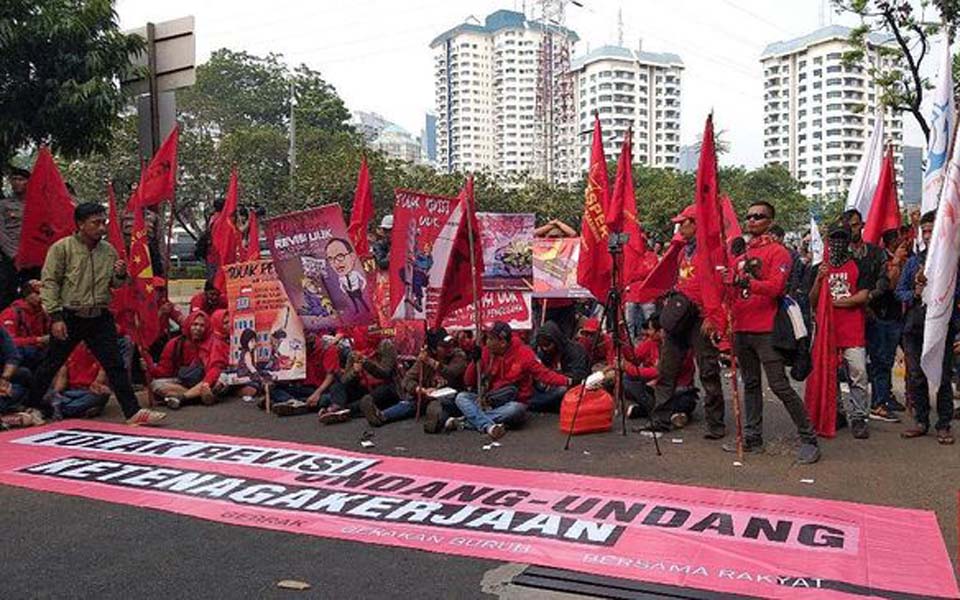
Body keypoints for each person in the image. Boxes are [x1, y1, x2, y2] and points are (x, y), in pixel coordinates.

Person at [25, 202, 165, 425]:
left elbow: (116, 284)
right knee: (51, 363)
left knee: (115, 365)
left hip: (99, 315)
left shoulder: (108, 251)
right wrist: (56, 317)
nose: (102, 228)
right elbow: (50, 283)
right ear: (80, 224)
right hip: (70, 315)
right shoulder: (62, 248)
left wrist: (120, 274)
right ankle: (31, 407)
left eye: (104, 223)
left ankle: (133, 413)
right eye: (96, 223)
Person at [725, 201, 819, 463]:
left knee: (779, 386)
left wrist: (747, 282)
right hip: (742, 328)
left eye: (759, 216)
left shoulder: (779, 252)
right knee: (751, 384)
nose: (752, 220)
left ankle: (809, 438)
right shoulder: (740, 255)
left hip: (767, 329)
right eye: (749, 216)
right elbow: (732, 291)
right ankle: (752, 437)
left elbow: (776, 288)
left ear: (769, 220)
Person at [649, 205, 726, 439]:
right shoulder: (683, 252)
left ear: (696, 224)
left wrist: (714, 317)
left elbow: (721, 287)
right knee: (666, 370)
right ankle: (660, 419)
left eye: (684, 223)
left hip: (702, 319)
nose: (680, 227)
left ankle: (716, 424)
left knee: (708, 372)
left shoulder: (713, 251)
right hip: (680, 317)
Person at [896, 211, 956, 445]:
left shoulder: (951, 262)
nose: (929, 235)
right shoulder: (913, 263)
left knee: (941, 377)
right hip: (915, 327)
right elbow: (900, 292)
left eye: (933, 230)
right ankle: (921, 420)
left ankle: (944, 424)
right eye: (926, 231)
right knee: (916, 375)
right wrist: (916, 292)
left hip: (943, 326)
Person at [454, 322, 570, 440]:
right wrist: (474, 362)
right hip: (487, 400)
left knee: (515, 410)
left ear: (502, 343)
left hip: (511, 402)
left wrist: (568, 381)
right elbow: (468, 381)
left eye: (490, 339)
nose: (486, 342)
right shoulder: (485, 351)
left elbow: (544, 374)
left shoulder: (524, 353)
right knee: (461, 397)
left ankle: (469, 421)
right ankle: (487, 426)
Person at [809, 225, 871, 439]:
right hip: (827, 332)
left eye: (841, 239)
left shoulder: (859, 265)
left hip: (852, 331)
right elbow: (813, 301)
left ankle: (859, 417)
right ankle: (837, 413)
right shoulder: (819, 268)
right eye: (833, 239)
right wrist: (818, 280)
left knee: (858, 374)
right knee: (829, 375)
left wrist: (833, 303)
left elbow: (863, 296)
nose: (837, 243)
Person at [362, 328, 468, 429]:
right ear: (434, 349)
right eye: (443, 346)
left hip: (451, 396)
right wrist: (421, 390)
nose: (449, 347)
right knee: (411, 403)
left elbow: (452, 372)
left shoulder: (458, 355)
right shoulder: (423, 361)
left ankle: (436, 421)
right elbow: (407, 380)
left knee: (443, 405)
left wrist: (432, 362)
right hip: (428, 396)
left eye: (450, 344)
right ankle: (381, 416)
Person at [623, 314, 697, 428]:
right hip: (657, 388)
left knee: (685, 401)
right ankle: (671, 414)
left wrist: (629, 368)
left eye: (651, 329)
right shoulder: (651, 342)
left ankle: (651, 411)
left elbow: (659, 372)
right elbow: (634, 357)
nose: (648, 332)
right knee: (627, 382)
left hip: (677, 391)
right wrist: (623, 340)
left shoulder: (679, 348)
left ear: (661, 331)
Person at [867, 228, 908, 421]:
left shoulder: (906, 259)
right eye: (901, 241)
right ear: (893, 242)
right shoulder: (882, 260)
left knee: (889, 360)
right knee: (881, 361)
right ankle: (878, 403)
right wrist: (896, 263)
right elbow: (890, 287)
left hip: (898, 317)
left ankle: (886, 396)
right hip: (883, 317)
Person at [146, 311, 226, 409]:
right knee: (156, 384)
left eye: (202, 325)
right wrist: (148, 365)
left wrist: (206, 383)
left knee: (221, 380)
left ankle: (182, 398)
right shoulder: (175, 343)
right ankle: (196, 397)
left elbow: (216, 367)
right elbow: (164, 371)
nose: (198, 328)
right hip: (184, 383)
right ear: (189, 324)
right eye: (195, 324)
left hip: (206, 382)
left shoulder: (214, 342)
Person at [318, 338, 397, 424]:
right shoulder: (354, 354)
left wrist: (366, 363)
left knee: (375, 395)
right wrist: (354, 371)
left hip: (383, 386)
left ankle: (343, 411)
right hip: (363, 388)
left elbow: (385, 373)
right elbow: (345, 380)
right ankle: (338, 407)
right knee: (337, 386)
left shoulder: (386, 345)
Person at [271, 332, 343, 417]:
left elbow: (330, 376)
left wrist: (317, 394)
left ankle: (299, 404)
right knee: (274, 389)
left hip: (324, 389)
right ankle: (293, 402)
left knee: (326, 399)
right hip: (306, 387)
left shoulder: (328, 349)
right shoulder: (297, 350)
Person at [531, 320, 589, 412]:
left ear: (556, 341)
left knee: (562, 390)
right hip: (549, 385)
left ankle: (534, 404)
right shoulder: (543, 352)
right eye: (542, 346)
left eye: (547, 345)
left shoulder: (575, 350)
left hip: (568, 385)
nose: (545, 348)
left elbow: (579, 375)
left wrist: (557, 378)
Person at [50, 343, 110, 418]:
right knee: (49, 395)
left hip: (89, 392)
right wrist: (56, 393)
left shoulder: (102, 350)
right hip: (70, 392)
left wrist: (97, 385)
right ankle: (76, 411)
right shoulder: (70, 350)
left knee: (102, 394)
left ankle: (59, 408)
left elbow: (101, 377)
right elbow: (62, 377)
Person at [0, 279, 50, 370]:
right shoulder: (10, 313)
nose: (42, 297)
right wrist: (38, 340)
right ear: (27, 295)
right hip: (17, 357)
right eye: (37, 293)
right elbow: (8, 343)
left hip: (37, 352)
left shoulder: (42, 314)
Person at [0, 165, 29, 310]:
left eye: (21, 179)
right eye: (14, 179)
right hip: (11, 256)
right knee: (6, 293)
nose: (17, 182)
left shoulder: (36, 204)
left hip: (33, 257)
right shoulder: (4, 205)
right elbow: (1, 232)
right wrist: (13, 253)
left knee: (32, 293)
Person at [325, 237, 369, 314]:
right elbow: (341, 285)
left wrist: (362, 287)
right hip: (350, 292)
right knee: (354, 302)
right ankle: (357, 311)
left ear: (352, 256)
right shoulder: (341, 278)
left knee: (361, 300)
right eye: (330, 259)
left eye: (340, 256)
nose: (336, 263)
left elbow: (363, 280)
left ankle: (366, 309)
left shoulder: (357, 272)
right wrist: (345, 291)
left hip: (357, 290)